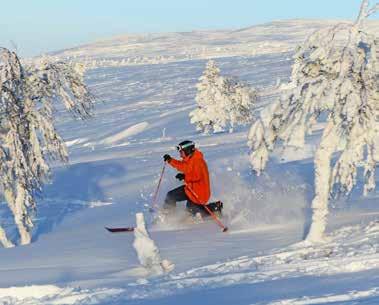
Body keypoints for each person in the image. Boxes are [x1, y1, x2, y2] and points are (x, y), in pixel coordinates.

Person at [162, 140, 211, 217]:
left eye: (181, 152)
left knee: (191, 213)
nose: (180, 155)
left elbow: (197, 176)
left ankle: (216, 207)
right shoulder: (191, 159)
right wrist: (170, 160)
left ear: (187, 150)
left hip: (199, 193)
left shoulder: (198, 161)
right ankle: (168, 216)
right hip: (190, 189)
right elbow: (184, 167)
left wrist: (185, 177)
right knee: (171, 196)